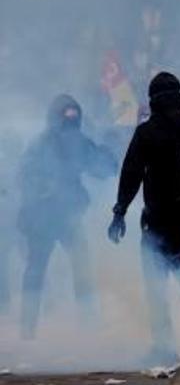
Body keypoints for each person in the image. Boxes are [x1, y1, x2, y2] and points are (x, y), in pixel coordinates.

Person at [109, 72, 180, 365]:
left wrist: (119, 212)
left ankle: (164, 346)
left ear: (152, 99)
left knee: (155, 281)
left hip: (158, 220)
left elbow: (131, 174)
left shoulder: (147, 132)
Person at [16, 95, 117, 339]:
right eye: (66, 118)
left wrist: (107, 154)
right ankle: (27, 329)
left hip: (67, 216)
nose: (70, 124)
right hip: (42, 217)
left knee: (81, 266)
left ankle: (88, 325)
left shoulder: (79, 142)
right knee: (36, 270)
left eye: (74, 118)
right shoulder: (40, 144)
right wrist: (43, 190)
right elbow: (24, 176)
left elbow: (102, 169)